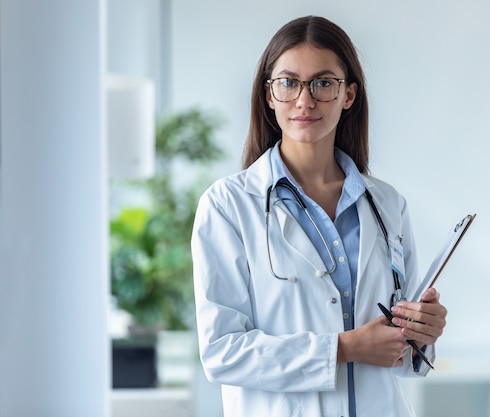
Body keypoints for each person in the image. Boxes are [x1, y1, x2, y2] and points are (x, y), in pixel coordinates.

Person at [191, 15, 448, 417]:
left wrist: (422, 332)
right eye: (289, 82)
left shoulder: (387, 204)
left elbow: (403, 354)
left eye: (323, 83)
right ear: (268, 95)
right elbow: (222, 352)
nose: (304, 100)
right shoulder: (228, 206)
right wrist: (344, 348)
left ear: (348, 95)